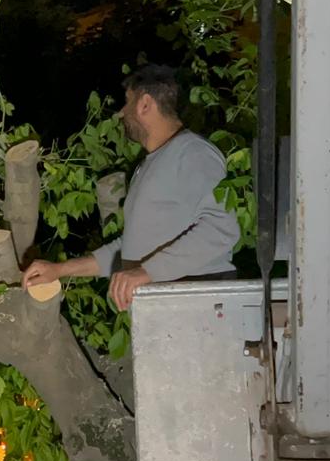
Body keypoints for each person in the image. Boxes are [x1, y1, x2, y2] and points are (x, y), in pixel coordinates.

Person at [23, 62, 240, 309]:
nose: (120, 113)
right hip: (166, 307)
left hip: (197, 303)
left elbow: (221, 229)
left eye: (127, 102)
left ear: (145, 104)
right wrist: (59, 269)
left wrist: (145, 273)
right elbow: (128, 249)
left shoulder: (193, 153)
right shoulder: (149, 164)